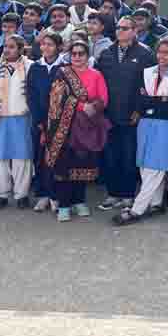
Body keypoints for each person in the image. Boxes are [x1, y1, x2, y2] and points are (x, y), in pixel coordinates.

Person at [116, 38, 168, 225]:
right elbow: (139, 99)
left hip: (166, 124)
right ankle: (156, 203)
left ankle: (137, 209)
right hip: (145, 123)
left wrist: (150, 101)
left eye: (166, 53)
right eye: (159, 52)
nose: (162, 56)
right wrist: (158, 100)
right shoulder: (146, 72)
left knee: (156, 165)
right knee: (144, 164)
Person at [42, 40, 109, 222]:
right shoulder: (62, 74)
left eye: (81, 53)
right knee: (64, 167)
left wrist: (93, 107)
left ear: (88, 56)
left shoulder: (96, 75)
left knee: (83, 166)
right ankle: (64, 205)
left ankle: (79, 201)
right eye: (74, 54)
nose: (78, 57)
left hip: (88, 127)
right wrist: (80, 106)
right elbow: (56, 99)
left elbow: (103, 98)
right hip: (65, 129)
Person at [97, 16, 155, 210]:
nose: (120, 31)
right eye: (118, 28)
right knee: (111, 156)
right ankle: (113, 193)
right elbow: (99, 84)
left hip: (132, 115)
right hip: (109, 114)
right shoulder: (106, 53)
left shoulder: (145, 54)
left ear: (134, 31)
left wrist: (140, 109)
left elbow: (149, 86)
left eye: (125, 28)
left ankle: (128, 195)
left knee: (129, 156)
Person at [0, 34, 36, 209]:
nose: (7, 50)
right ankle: (1, 194)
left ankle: (22, 195)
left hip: (22, 118)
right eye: (5, 46)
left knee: (22, 158)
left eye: (12, 47)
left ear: (21, 49)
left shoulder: (30, 67)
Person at [28, 32, 64, 212]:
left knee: (57, 159)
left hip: (59, 122)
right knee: (40, 158)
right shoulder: (35, 68)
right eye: (43, 44)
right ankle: (42, 194)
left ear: (59, 47)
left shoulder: (65, 67)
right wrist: (40, 121)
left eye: (50, 44)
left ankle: (56, 195)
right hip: (40, 122)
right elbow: (31, 96)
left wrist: (57, 120)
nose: (46, 48)